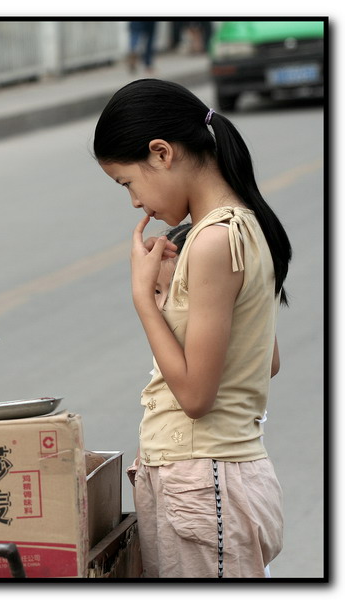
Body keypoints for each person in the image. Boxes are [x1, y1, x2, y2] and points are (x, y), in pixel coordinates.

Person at [93, 78, 291, 578]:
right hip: (207, 479)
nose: (135, 202)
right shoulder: (241, 224)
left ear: (161, 153)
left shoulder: (212, 240)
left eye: (127, 183)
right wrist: (167, 295)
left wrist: (144, 299)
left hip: (204, 479)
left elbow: (198, 397)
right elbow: (264, 360)